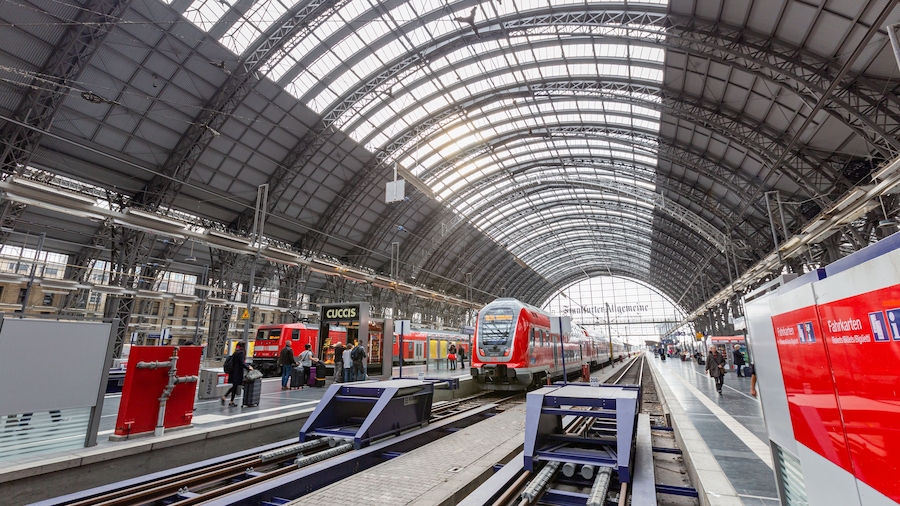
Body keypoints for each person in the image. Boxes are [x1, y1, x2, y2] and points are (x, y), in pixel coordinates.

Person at [221, 342, 252, 407]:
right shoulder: (241, 353)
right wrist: (248, 367)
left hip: (233, 371)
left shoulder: (236, 352)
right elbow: (241, 363)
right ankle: (227, 398)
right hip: (237, 372)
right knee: (240, 385)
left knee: (235, 386)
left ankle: (229, 400)